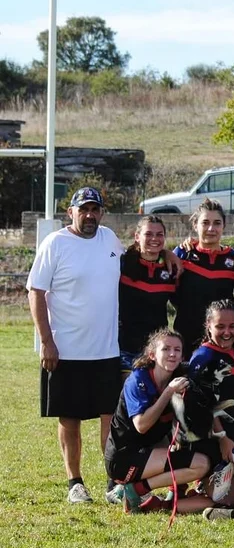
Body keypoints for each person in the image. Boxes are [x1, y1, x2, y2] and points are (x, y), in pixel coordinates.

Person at [28, 186, 127, 504]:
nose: (89, 215)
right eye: (83, 209)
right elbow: (36, 291)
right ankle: (75, 483)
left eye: (95, 209)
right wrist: (46, 342)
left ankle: (113, 482)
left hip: (106, 350)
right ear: (70, 212)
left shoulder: (110, 239)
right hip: (65, 350)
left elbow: (140, 256)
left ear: (101, 213)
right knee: (69, 418)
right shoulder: (55, 243)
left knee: (110, 419)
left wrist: (169, 254)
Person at [104, 329, 212, 514]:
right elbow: (141, 425)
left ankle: (171, 493)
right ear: (152, 354)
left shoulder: (180, 377)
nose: (172, 354)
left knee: (193, 451)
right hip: (123, 458)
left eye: (177, 350)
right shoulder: (138, 380)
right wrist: (168, 392)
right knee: (200, 464)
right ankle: (135, 489)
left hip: (148, 451)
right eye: (166, 349)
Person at [187, 300, 234, 508]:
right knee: (226, 502)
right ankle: (173, 500)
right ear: (208, 325)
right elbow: (203, 404)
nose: (227, 332)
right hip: (219, 443)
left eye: (233, 326)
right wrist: (223, 439)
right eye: (220, 326)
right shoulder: (204, 357)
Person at [172, 199, 234, 356]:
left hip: (225, 341)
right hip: (187, 340)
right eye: (205, 223)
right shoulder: (181, 255)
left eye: (217, 223)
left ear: (224, 226)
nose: (211, 228)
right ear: (195, 225)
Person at [118, 215, 177, 376]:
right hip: (125, 348)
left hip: (157, 351)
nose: (154, 239)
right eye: (148, 234)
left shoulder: (171, 269)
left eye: (159, 234)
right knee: (130, 390)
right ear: (137, 236)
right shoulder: (121, 264)